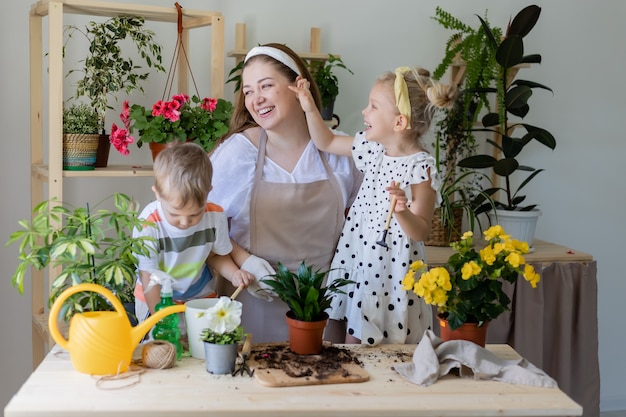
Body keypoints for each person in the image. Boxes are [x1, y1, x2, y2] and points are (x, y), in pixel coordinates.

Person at [290, 66, 457, 345]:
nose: (365, 111)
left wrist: (402, 211)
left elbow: (421, 231)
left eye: (373, 106)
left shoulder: (420, 168)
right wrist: (308, 107)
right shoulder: (372, 148)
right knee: (353, 337)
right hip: (360, 258)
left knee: (384, 345)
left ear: (399, 123)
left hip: (392, 271)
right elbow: (327, 140)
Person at [209, 43, 363, 343]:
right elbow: (197, 227)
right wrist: (245, 261)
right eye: (248, 91)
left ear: (298, 86)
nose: (256, 99)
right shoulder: (238, 153)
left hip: (323, 313)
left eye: (266, 86)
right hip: (252, 310)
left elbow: (365, 229)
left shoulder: (340, 151)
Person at [133, 142, 257, 325]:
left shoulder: (215, 216)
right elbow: (149, 278)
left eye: (194, 214)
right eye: (175, 214)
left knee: (202, 347)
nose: (184, 222)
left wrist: (234, 274)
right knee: (163, 350)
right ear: (158, 194)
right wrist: (161, 320)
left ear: (208, 193)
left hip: (200, 296)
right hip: (156, 298)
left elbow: (215, 256)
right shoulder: (148, 225)